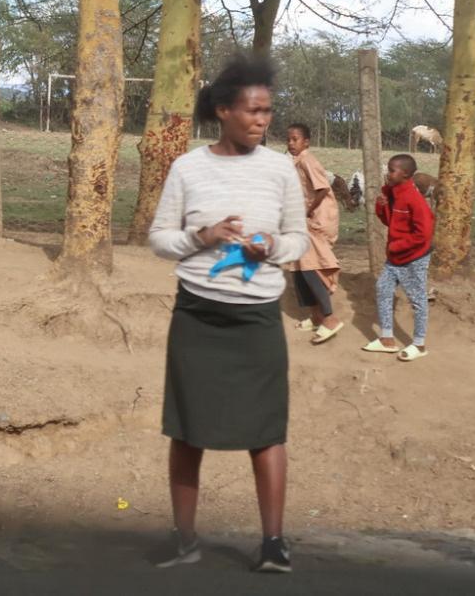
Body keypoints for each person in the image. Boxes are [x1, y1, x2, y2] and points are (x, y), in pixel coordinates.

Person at [149, 55, 309, 573]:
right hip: (197, 317)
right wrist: (203, 236)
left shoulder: (280, 169)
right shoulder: (188, 168)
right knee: (186, 429)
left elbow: (299, 238)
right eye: (253, 111)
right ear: (223, 111)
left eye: (268, 111)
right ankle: (184, 539)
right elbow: (159, 239)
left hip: (257, 318)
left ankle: (274, 544)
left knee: (267, 430)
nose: (263, 120)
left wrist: (272, 247)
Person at [361, 154, 434, 362]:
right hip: (396, 256)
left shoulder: (414, 199)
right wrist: (381, 205)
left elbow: (424, 234)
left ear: (406, 174)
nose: (388, 173)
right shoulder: (392, 193)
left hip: (414, 257)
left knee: (417, 299)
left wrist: (396, 246)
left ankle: (419, 344)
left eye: (392, 170)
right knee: (383, 288)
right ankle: (387, 339)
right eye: (388, 169)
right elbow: (390, 222)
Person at [286, 123, 343, 344]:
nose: (291, 143)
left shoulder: (308, 160)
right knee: (298, 267)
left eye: (295, 139)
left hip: (318, 220)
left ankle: (330, 318)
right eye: (289, 139)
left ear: (306, 142)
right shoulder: (296, 161)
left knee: (310, 267)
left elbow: (322, 189)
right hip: (306, 221)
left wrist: (307, 211)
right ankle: (316, 316)